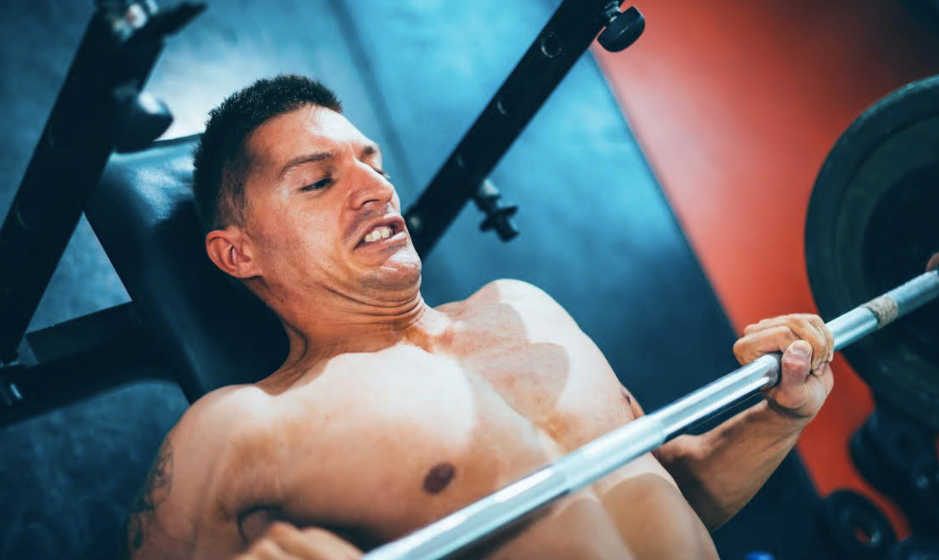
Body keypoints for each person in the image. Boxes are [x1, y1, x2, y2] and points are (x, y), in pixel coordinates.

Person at [123, 75, 835, 560]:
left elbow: (670, 493)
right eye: (317, 180)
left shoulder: (524, 308)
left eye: (374, 164)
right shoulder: (239, 428)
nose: (375, 189)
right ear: (236, 253)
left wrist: (780, 416)